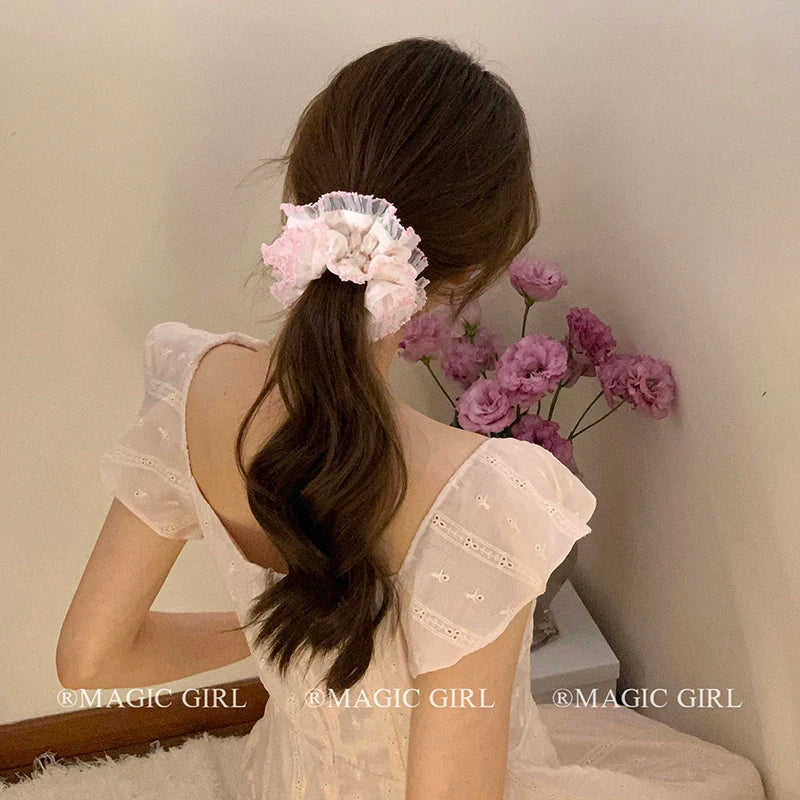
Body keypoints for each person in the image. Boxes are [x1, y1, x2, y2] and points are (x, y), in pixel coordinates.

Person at [57, 37, 765, 800]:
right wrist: (294, 622)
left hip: (291, 779)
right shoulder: (480, 498)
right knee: (728, 783)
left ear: (298, 201)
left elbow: (92, 661)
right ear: (468, 274)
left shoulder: (190, 383)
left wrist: (280, 629)